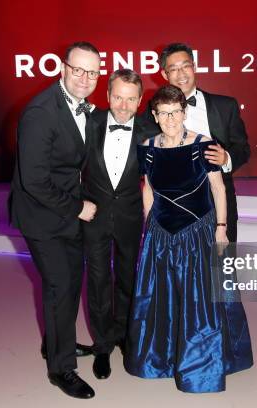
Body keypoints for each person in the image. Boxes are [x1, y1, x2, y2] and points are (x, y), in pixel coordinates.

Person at [124, 85, 253, 393]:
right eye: (164, 113)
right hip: (162, 233)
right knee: (161, 298)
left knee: (200, 301)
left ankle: (202, 366)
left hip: (198, 232)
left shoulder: (203, 144)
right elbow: (148, 190)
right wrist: (149, 225)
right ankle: (162, 359)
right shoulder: (148, 146)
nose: (170, 119)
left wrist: (220, 228)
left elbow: (219, 189)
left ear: (184, 112)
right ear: (155, 115)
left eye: (176, 112)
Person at [8, 41, 100, 399]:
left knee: (69, 283)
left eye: (91, 72)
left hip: (65, 211)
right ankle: (61, 369)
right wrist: (77, 208)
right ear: (63, 68)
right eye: (78, 69)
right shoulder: (41, 112)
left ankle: (55, 343)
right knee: (60, 286)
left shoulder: (81, 106)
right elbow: (33, 180)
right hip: (41, 216)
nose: (84, 78)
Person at [142, 42, 251, 242]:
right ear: (165, 75)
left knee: (222, 264)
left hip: (217, 201)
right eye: (173, 69)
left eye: (185, 66)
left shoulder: (225, 106)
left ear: (194, 67)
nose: (181, 73)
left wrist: (226, 157)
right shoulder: (152, 113)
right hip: (173, 206)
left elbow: (243, 148)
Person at [81, 69, 151, 379]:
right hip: (93, 215)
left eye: (131, 99)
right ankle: (102, 344)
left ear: (140, 100)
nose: (123, 105)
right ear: (108, 96)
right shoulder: (88, 123)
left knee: (127, 279)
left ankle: (124, 335)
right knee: (98, 282)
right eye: (118, 97)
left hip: (131, 216)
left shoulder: (150, 129)